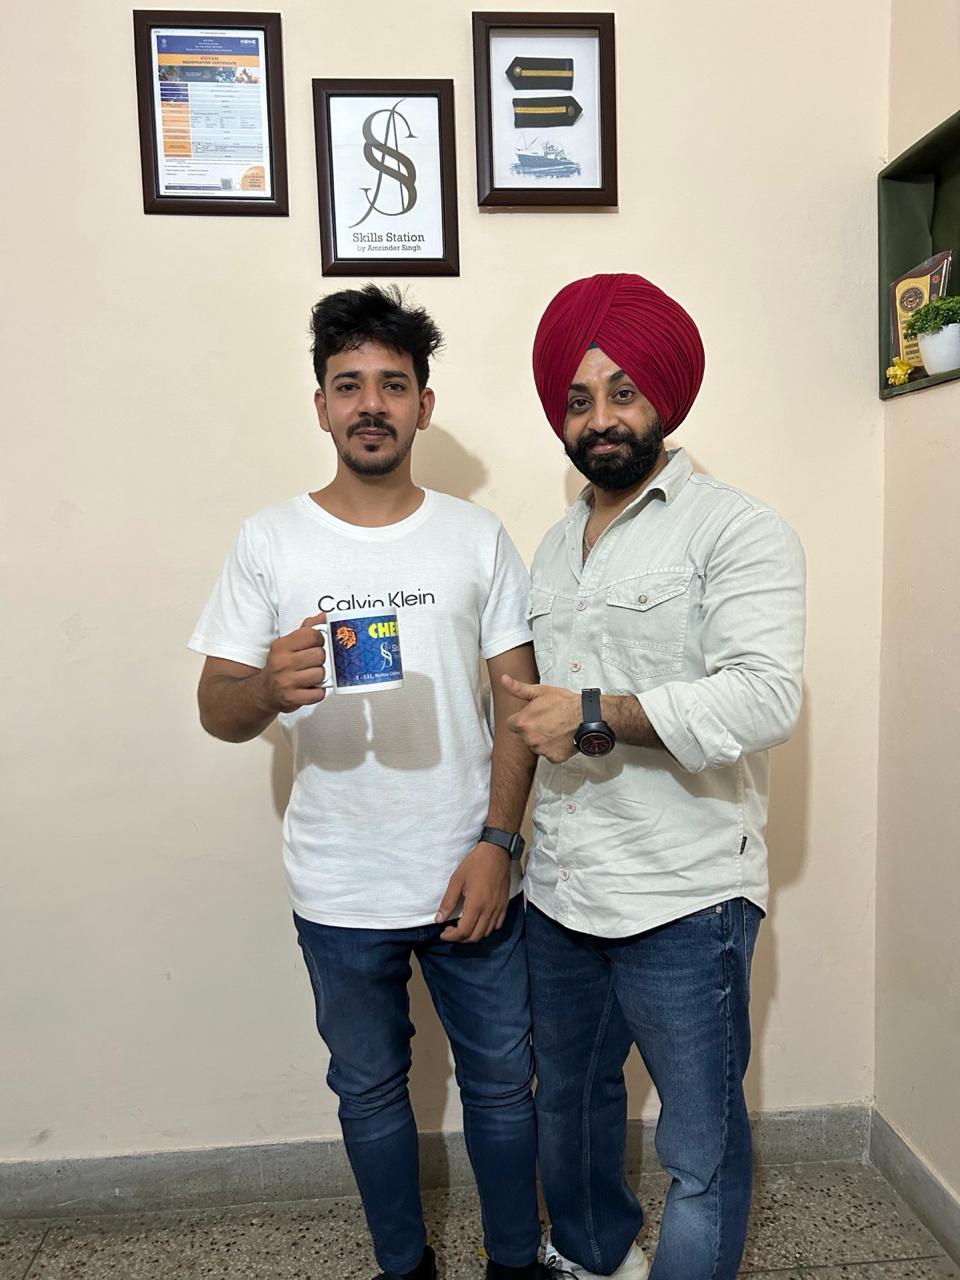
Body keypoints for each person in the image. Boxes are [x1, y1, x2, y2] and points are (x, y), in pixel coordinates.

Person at [189, 285, 550, 1280]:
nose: (371, 404)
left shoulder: (476, 537)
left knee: (504, 1088)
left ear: (424, 404)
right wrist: (266, 686)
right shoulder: (270, 540)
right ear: (320, 406)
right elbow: (216, 706)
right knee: (369, 1091)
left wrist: (499, 843)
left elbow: (518, 705)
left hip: (470, 873)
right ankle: (405, 1264)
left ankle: (514, 1262)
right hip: (339, 882)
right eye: (348, 384)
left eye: (393, 384)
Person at [502, 273, 806, 1280]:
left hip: (685, 894)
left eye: (622, 392)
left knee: (699, 1151)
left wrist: (595, 713)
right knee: (571, 1107)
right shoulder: (553, 548)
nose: (600, 419)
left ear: (662, 399)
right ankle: (594, 1258)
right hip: (563, 892)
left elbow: (763, 698)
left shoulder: (737, 528)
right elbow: (529, 711)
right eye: (578, 399)